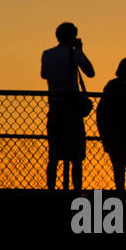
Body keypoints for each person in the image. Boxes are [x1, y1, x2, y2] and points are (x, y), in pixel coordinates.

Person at [40, 22, 95, 190]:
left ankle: (51, 189)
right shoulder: (74, 54)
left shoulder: (47, 54)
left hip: (55, 107)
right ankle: (76, 190)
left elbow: (43, 75)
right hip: (72, 109)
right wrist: (80, 50)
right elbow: (90, 72)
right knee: (76, 156)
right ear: (73, 37)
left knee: (54, 154)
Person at [96, 58, 126, 190]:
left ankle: (120, 190)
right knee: (120, 165)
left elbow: (101, 111)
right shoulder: (121, 87)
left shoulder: (114, 85)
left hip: (114, 132)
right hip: (119, 132)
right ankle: (121, 190)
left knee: (118, 166)